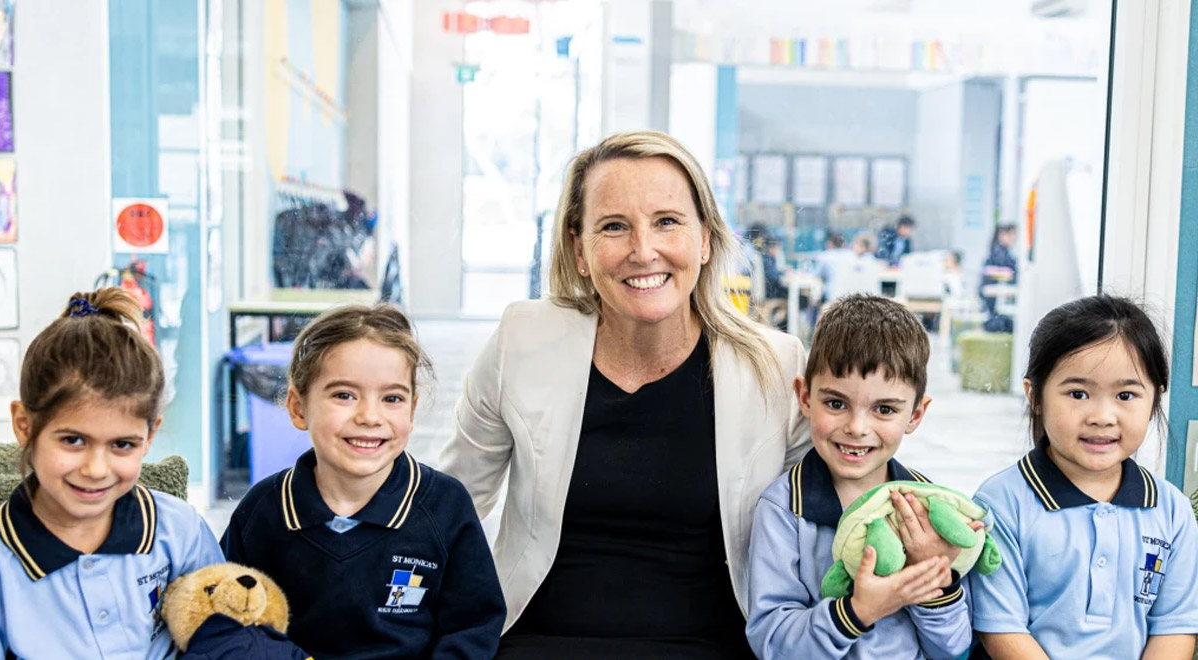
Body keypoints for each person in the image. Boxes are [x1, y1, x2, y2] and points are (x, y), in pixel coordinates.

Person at [439, 130, 810, 659]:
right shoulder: (522, 340)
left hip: (706, 645)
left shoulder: (776, 366)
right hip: (539, 641)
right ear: (579, 248)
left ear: (704, 239)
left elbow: (821, 522)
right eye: (614, 227)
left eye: (667, 222)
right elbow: (451, 506)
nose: (644, 250)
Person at [221, 304, 505, 660]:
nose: (370, 417)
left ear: (412, 411)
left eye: (392, 398)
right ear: (298, 408)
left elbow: (473, 626)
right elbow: (228, 619)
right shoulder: (263, 511)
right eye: (344, 395)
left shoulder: (446, 506)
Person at [746, 294, 976, 660]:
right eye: (836, 403)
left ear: (916, 415)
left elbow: (953, 649)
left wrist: (934, 575)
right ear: (804, 397)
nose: (856, 428)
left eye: (884, 409)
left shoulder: (930, 507)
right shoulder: (783, 509)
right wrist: (857, 612)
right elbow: (772, 643)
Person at [0, 289, 223, 658]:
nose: (96, 469)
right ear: (24, 426)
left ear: (150, 437)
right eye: (73, 440)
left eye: (122, 445)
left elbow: (223, 637)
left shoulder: (179, 530)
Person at [970, 296, 1198, 659]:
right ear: (1036, 395)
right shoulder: (1000, 503)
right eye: (1078, 393)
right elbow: (1001, 630)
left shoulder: (1172, 511)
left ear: (1155, 398)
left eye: (1126, 395)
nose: (1103, 416)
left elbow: (1175, 628)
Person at [980, 224, 1017, 332]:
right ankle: (984, 327)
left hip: (995, 292)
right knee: (1000, 320)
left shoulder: (1002, 252)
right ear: (1002, 235)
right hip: (994, 292)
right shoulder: (998, 253)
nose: (1013, 239)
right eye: (1011, 236)